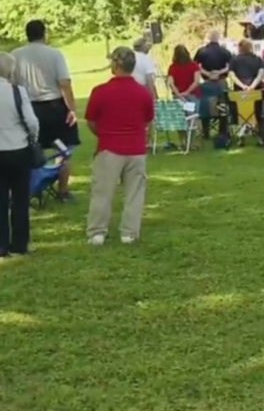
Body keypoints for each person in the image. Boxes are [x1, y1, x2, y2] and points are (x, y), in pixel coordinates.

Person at [84, 47, 155, 246]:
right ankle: (129, 232)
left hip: (109, 148)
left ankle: (97, 232)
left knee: (102, 192)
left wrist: (103, 134)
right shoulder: (142, 93)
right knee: (135, 193)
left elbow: (91, 120)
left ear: (115, 65)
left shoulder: (100, 91)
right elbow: (148, 119)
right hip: (136, 148)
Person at [12, 19, 79, 200]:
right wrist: (71, 109)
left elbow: (11, 84)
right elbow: (64, 83)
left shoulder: (16, 55)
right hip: (54, 107)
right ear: (44, 33)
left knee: (32, 148)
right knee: (63, 149)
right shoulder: (54, 54)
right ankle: (62, 191)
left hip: (28, 108)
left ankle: (33, 188)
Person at [0, 52, 38, 257]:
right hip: (18, 149)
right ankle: (20, 243)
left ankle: (1, 244)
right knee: (20, 199)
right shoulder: (17, 91)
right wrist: (33, 137)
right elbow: (31, 122)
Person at [194, 29, 232, 140]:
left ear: (209, 38)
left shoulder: (201, 51)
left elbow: (195, 66)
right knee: (222, 105)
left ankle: (205, 132)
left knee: (205, 105)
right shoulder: (225, 51)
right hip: (221, 81)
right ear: (218, 38)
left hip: (206, 82)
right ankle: (222, 131)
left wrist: (207, 73)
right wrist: (219, 72)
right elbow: (231, 66)